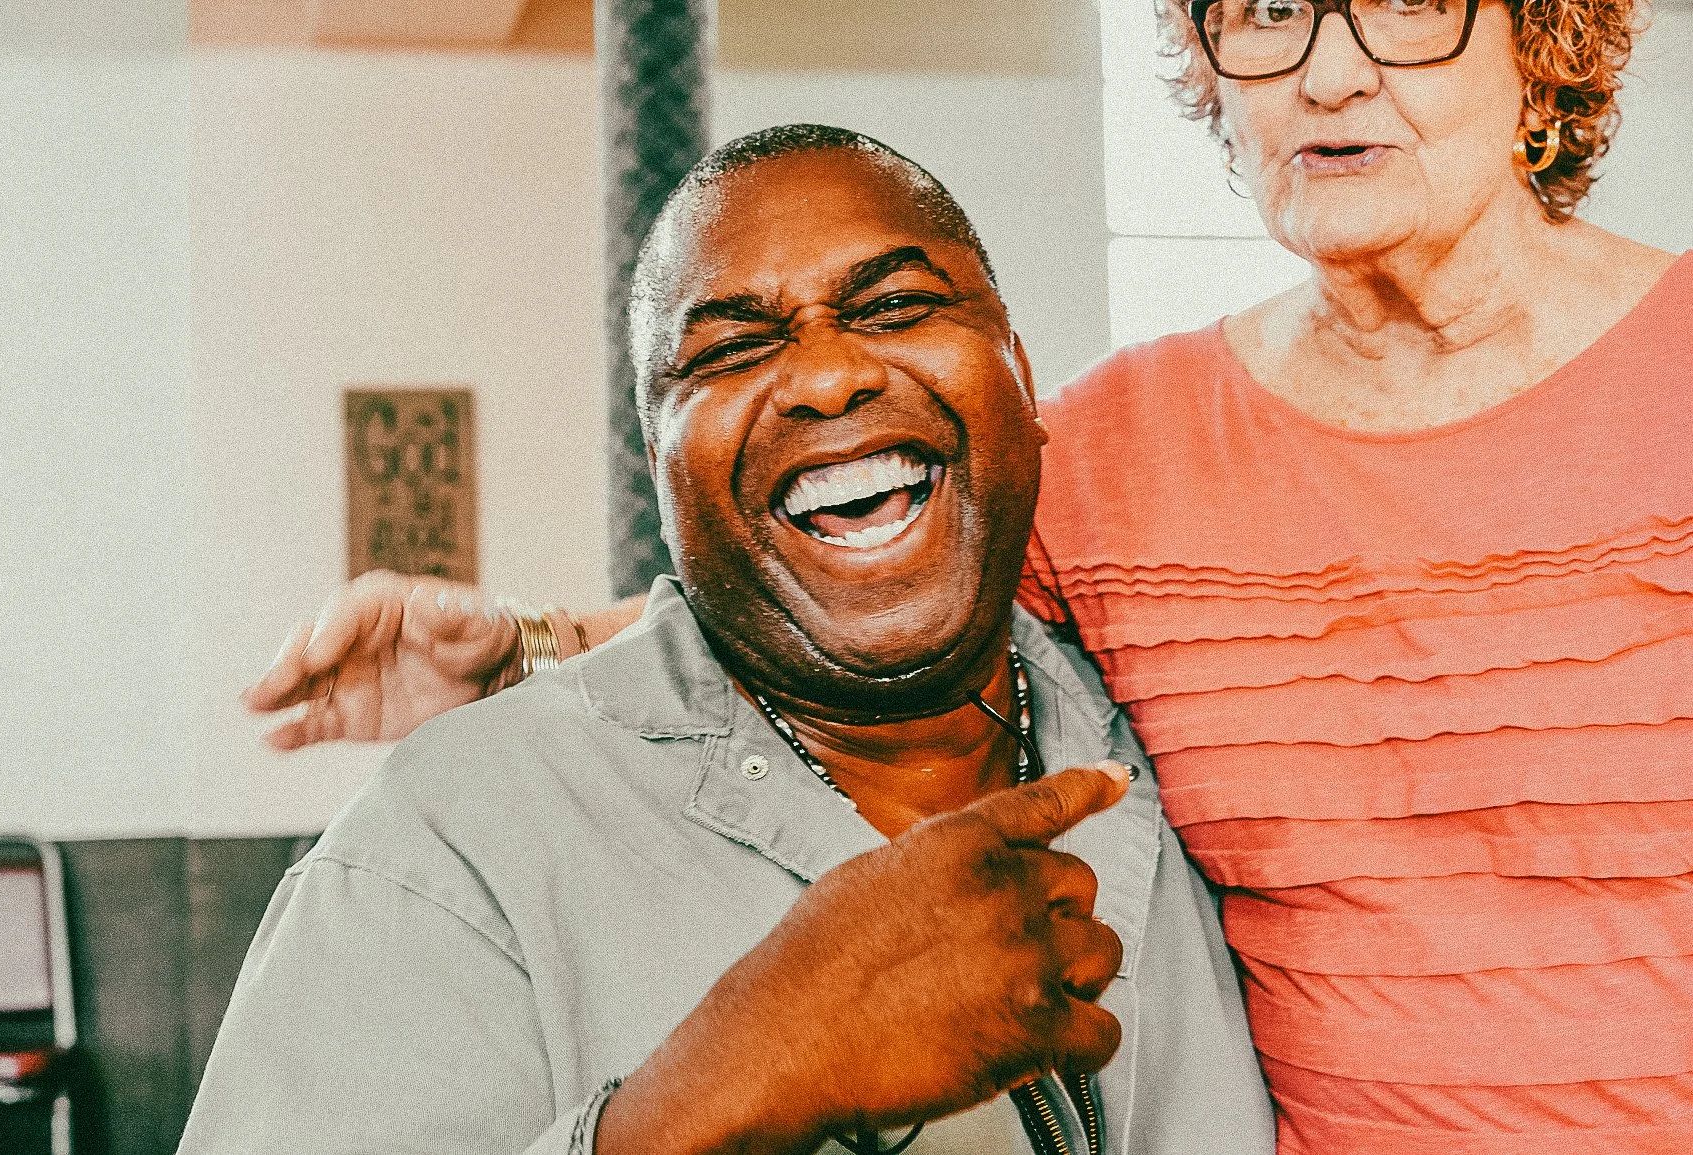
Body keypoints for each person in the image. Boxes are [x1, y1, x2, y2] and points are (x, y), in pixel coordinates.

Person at [250, 3, 1693, 1150]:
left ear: (1549, 35)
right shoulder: (1131, 441)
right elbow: (864, 571)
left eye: (1407, 3)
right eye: (1264, 13)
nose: (1327, 73)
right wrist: (531, 646)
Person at [189, 127, 1273, 1155]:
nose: (826, 375)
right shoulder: (453, 838)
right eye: (735, 348)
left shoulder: (1194, 728)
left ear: (1024, 378)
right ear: (657, 470)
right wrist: (722, 1093)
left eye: (896, 306)